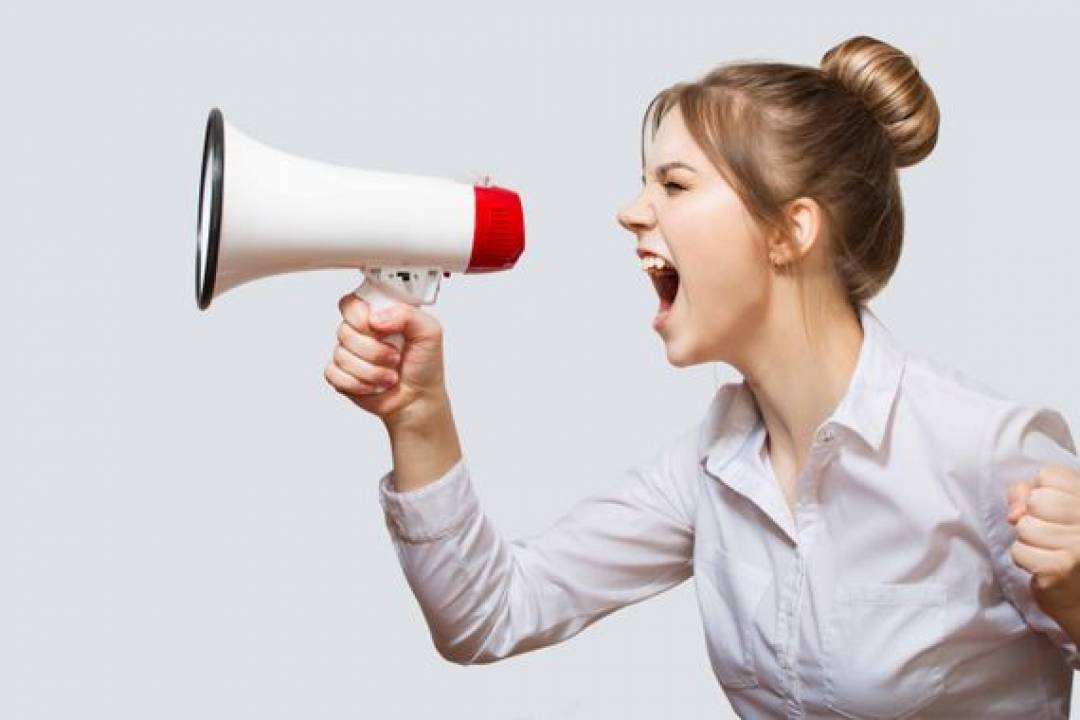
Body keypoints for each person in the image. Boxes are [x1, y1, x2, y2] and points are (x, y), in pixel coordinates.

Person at [323, 35, 1080, 718]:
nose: (630, 213)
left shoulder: (986, 450)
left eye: (674, 185)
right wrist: (417, 412)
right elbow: (489, 615)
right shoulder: (712, 467)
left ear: (790, 230)